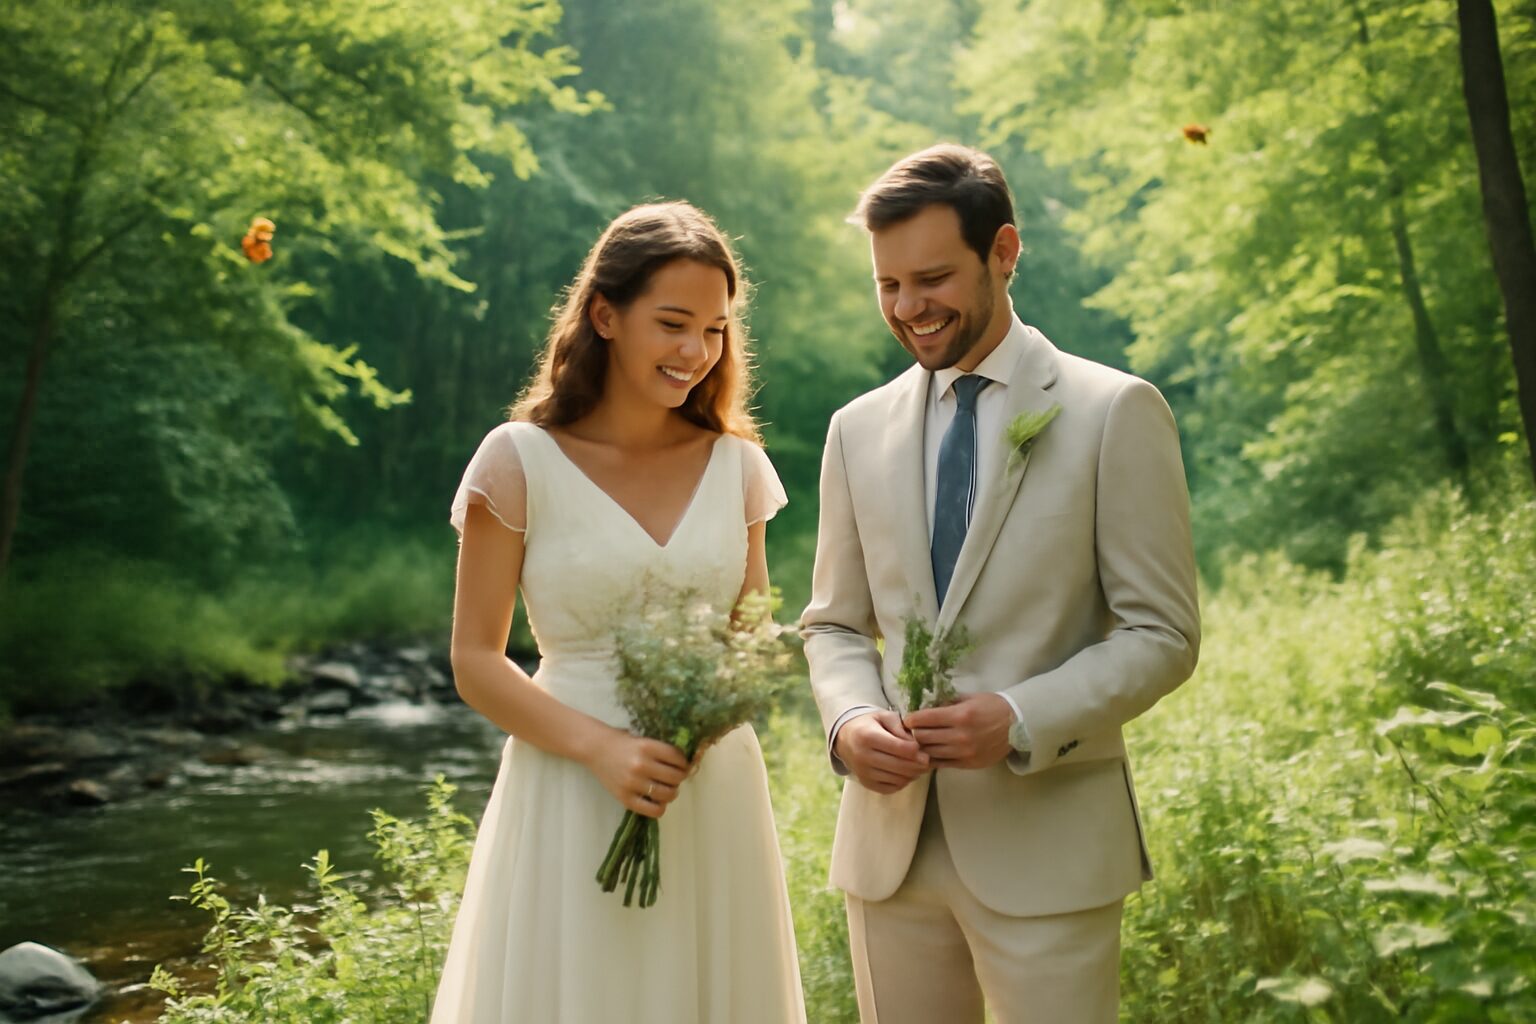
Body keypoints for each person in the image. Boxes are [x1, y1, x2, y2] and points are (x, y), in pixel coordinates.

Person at [801, 144, 1200, 1023]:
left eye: (933, 277)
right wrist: (848, 720)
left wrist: (1019, 718)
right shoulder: (853, 430)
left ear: (1005, 251)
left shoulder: (1114, 411)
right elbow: (833, 625)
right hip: (889, 850)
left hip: (1050, 848)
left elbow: (1163, 636)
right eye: (888, 286)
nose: (909, 309)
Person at [432, 201, 805, 1023]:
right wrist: (603, 750)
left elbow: (749, 636)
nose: (695, 352)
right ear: (605, 314)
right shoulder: (518, 460)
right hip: (571, 784)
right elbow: (476, 660)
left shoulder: (738, 466)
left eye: (714, 329)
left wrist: (807, 651)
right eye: (673, 323)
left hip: (711, 787)